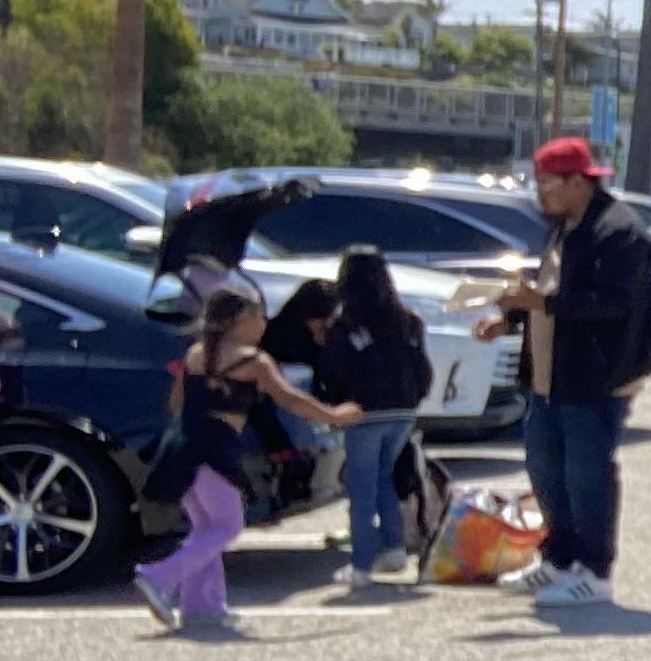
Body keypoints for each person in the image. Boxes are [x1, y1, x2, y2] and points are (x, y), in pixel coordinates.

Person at [475, 135, 651, 610]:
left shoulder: (618, 231)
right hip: (547, 378)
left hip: (594, 377)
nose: (541, 194)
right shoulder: (561, 227)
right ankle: (559, 560)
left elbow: (612, 304)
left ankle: (594, 573)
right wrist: (510, 318)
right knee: (545, 470)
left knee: (587, 475)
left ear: (578, 181)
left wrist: (543, 303)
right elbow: (547, 288)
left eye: (547, 184)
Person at [138, 279, 357, 632]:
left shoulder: (195, 354)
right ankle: (159, 576)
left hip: (181, 445)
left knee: (206, 529)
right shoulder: (253, 360)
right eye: (259, 316)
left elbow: (177, 401)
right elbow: (290, 399)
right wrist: (334, 415)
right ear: (239, 320)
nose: (264, 323)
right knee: (228, 525)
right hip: (215, 448)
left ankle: (203, 607)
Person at [312, 246, 433, 587]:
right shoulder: (407, 320)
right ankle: (394, 548)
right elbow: (423, 369)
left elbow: (335, 370)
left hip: (363, 411)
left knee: (361, 487)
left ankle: (361, 564)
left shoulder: (347, 323)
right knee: (383, 478)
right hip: (403, 410)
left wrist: (333, 402)